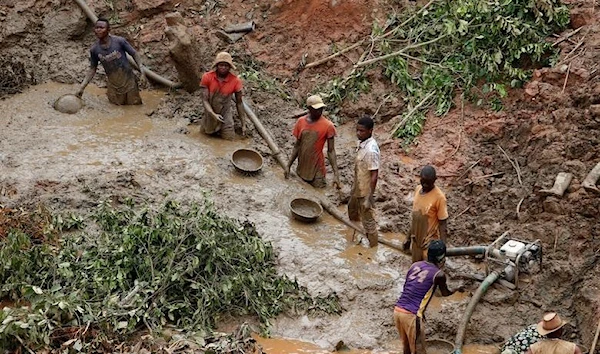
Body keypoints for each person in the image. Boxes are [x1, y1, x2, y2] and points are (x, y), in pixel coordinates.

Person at [394, 240, 458, 354]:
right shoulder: (439, 274)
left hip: (398, 311)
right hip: (412, 315)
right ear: (442, 258)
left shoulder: (415, 265)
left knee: (407, 349)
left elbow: (409, 288)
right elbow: (445, 293)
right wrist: (458, 290)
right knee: (419, 350)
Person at [76, 18, 147, 105]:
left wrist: (142, 70)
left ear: (109, 30)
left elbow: (134, 54)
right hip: (113, 86)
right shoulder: (94, 49)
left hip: (129, 82)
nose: (98, 30)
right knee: (116, 108)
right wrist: (82, 87)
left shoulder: (119, 41)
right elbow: (92, 69)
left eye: (101, 28)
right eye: (97, 27)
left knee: (135, 106)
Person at [285, 95, 341, 188]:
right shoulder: (301, 122)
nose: (320, 111)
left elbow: (331, 151)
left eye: (321, 108)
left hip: (317, 170)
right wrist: (288, 166)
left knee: (318, 192)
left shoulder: (328, 126)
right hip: (302, 167)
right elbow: (297, 146)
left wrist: (336, 175)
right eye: (316, 109)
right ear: (309, 109)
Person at [404, 165, 449, 263]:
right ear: (420, 178)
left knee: (428, 272)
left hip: (428, 244)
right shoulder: (417, 190)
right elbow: (415, 218)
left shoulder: (439, 198)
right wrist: (408, 238)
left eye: (428, 183)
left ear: (435, 180)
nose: (425, 185)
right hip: (416, 242)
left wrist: (442, 248)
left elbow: (443, 224)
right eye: (423, 181)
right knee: (416, 269)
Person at [348, 115, 380, 247]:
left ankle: (374, 247)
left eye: (362, 131)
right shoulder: (362, 143)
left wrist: (369, 197)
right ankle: (352, 232)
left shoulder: (371, 150)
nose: (358, 133)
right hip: (357, 187)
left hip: (365, 191)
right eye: (357, 130)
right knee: (352, 210)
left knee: (369, 222)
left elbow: (374, 175)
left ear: (370, 131)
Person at [199, 52, 246, 140]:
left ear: (230, 67)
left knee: (229, 140)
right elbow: (205, 100)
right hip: (209, 114)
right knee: (203, 138)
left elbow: (239, 103)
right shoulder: (207, 77)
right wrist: (213, 114)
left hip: (225, 115)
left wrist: (243, 124)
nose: (223, 68)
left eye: (226, 65)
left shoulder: (235, 81)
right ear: (217, 65)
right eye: (221, 65)